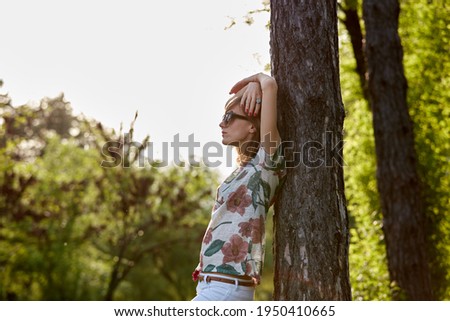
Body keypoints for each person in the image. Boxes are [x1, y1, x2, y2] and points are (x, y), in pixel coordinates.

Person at [191, 73, 286, 301]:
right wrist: (252, 86)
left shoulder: (267, 163)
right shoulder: (244, 170)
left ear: (253, 126)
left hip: (226, 289)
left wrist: (257, 80)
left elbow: (270, 84)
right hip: (211, 285)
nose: (222, 123)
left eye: (229, 117)